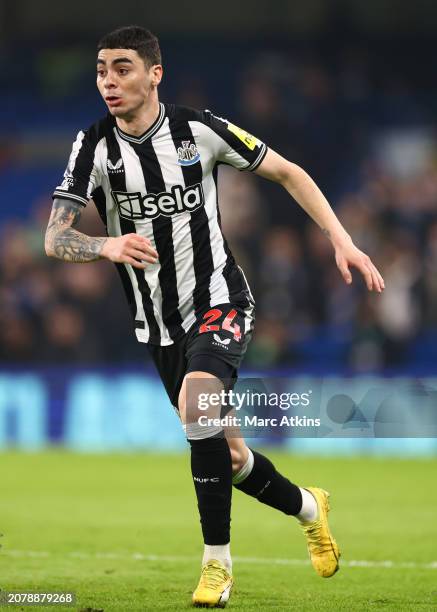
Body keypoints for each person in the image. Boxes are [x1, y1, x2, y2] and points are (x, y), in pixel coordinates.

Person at [44, 25, 385, 608]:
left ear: (155, 73)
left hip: (220, 299)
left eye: (121, 68)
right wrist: (106, 246)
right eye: (101, 70)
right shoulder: (93, 145)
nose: (108, 81)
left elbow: (289, 172)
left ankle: (217, 567)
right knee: (225, 453)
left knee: (198, 401)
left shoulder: (197, 130)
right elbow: (55, 237)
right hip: (157, 323)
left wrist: (342, 241)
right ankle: (309, 506)